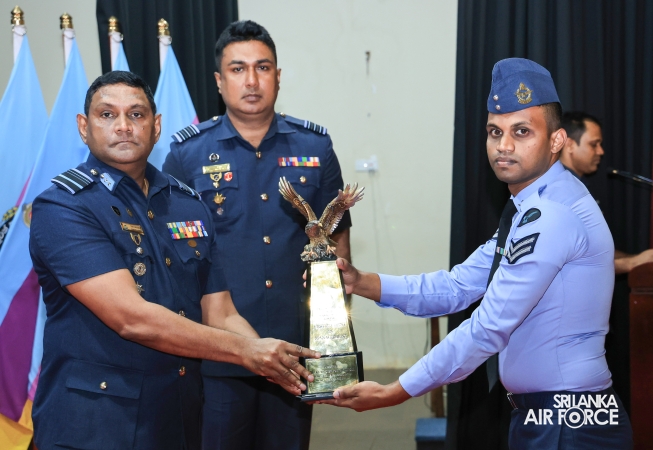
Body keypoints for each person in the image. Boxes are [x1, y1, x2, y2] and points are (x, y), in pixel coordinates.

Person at [317, 59, 633, 448]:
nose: (504, 145)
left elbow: (488, 326)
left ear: (556, 141)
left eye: (521, 131)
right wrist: (361, 282)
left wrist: (395, 391)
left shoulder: (550, 215)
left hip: (567, 422)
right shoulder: (533, 206)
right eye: (494, 131)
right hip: (556, 415)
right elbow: (457, 286)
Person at [29, 71, 319, 450]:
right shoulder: (63, 207)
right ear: (84, 127)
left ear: (156, 126)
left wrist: (280, 365)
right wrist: (248, 353)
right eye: (107, 115)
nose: (123, 126)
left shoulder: (187, 203)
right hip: (97, 425)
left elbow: (220, 312)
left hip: (176, 416)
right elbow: (132, 318)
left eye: (136, 114)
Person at [162, 20, 351, 450]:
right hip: (219, 354)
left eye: (262, 68)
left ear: (278, 77)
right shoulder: (187, 154)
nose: (251, 80)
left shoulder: (315, 148)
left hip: (294, 350)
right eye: (238, 69)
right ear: (219, 81)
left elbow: (336, 245)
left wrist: (332, 335)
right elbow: (173, 258)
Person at [560, 111, 653, 274]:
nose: (601, 151)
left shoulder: (579, 185)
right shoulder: (560, 191)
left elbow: (595, 250)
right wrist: (631, 263)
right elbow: (570, 261)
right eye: (594, 144)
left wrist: (639, 260)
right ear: (569, 145)